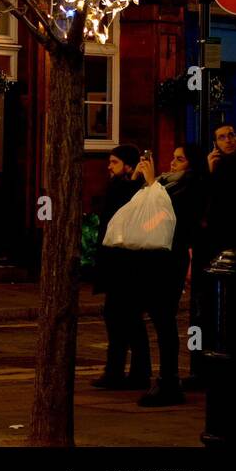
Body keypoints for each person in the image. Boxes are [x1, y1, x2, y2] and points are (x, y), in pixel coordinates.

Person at [129, 145, 206, 406]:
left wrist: (151, 183)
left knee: (165, 318)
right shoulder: (166, 183)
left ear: (191, 164)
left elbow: (168, 214)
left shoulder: (190, 186)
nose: (172, 163)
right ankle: (165, 379)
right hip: (157, 258)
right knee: (159, 317)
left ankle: (169, 381)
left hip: (172, 257)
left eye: (179, 159)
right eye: (173, 158)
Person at [190, 122, 236, 389]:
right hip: (210, 247)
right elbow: (203, 205)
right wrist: (209, 172)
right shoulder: (212, 170)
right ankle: (201, 366)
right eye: (222, 137)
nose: (229, 140)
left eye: (231, 135)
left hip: (233, 247)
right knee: (204, 310)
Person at [92, 144, 149, 390]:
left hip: (126, 266)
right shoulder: (124, 187)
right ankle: (132, 372)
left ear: (128, 166)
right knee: (126, 320)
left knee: (121, 319)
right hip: (120, 265)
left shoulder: (131, 190)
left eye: (114, 162)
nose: (109, 167)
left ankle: (120, 372)